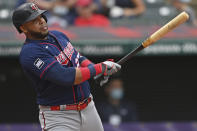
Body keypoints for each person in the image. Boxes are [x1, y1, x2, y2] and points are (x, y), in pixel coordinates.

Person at [12, 2, 121, 131]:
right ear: (23, 28)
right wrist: (100, 68)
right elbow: (66, 77)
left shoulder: (58, 35)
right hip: (59, 116)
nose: (41, 21)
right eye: (34, 20)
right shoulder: (30, 52)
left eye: (41, 16)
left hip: (88, 108)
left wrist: (94, 68)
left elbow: (77, 57)